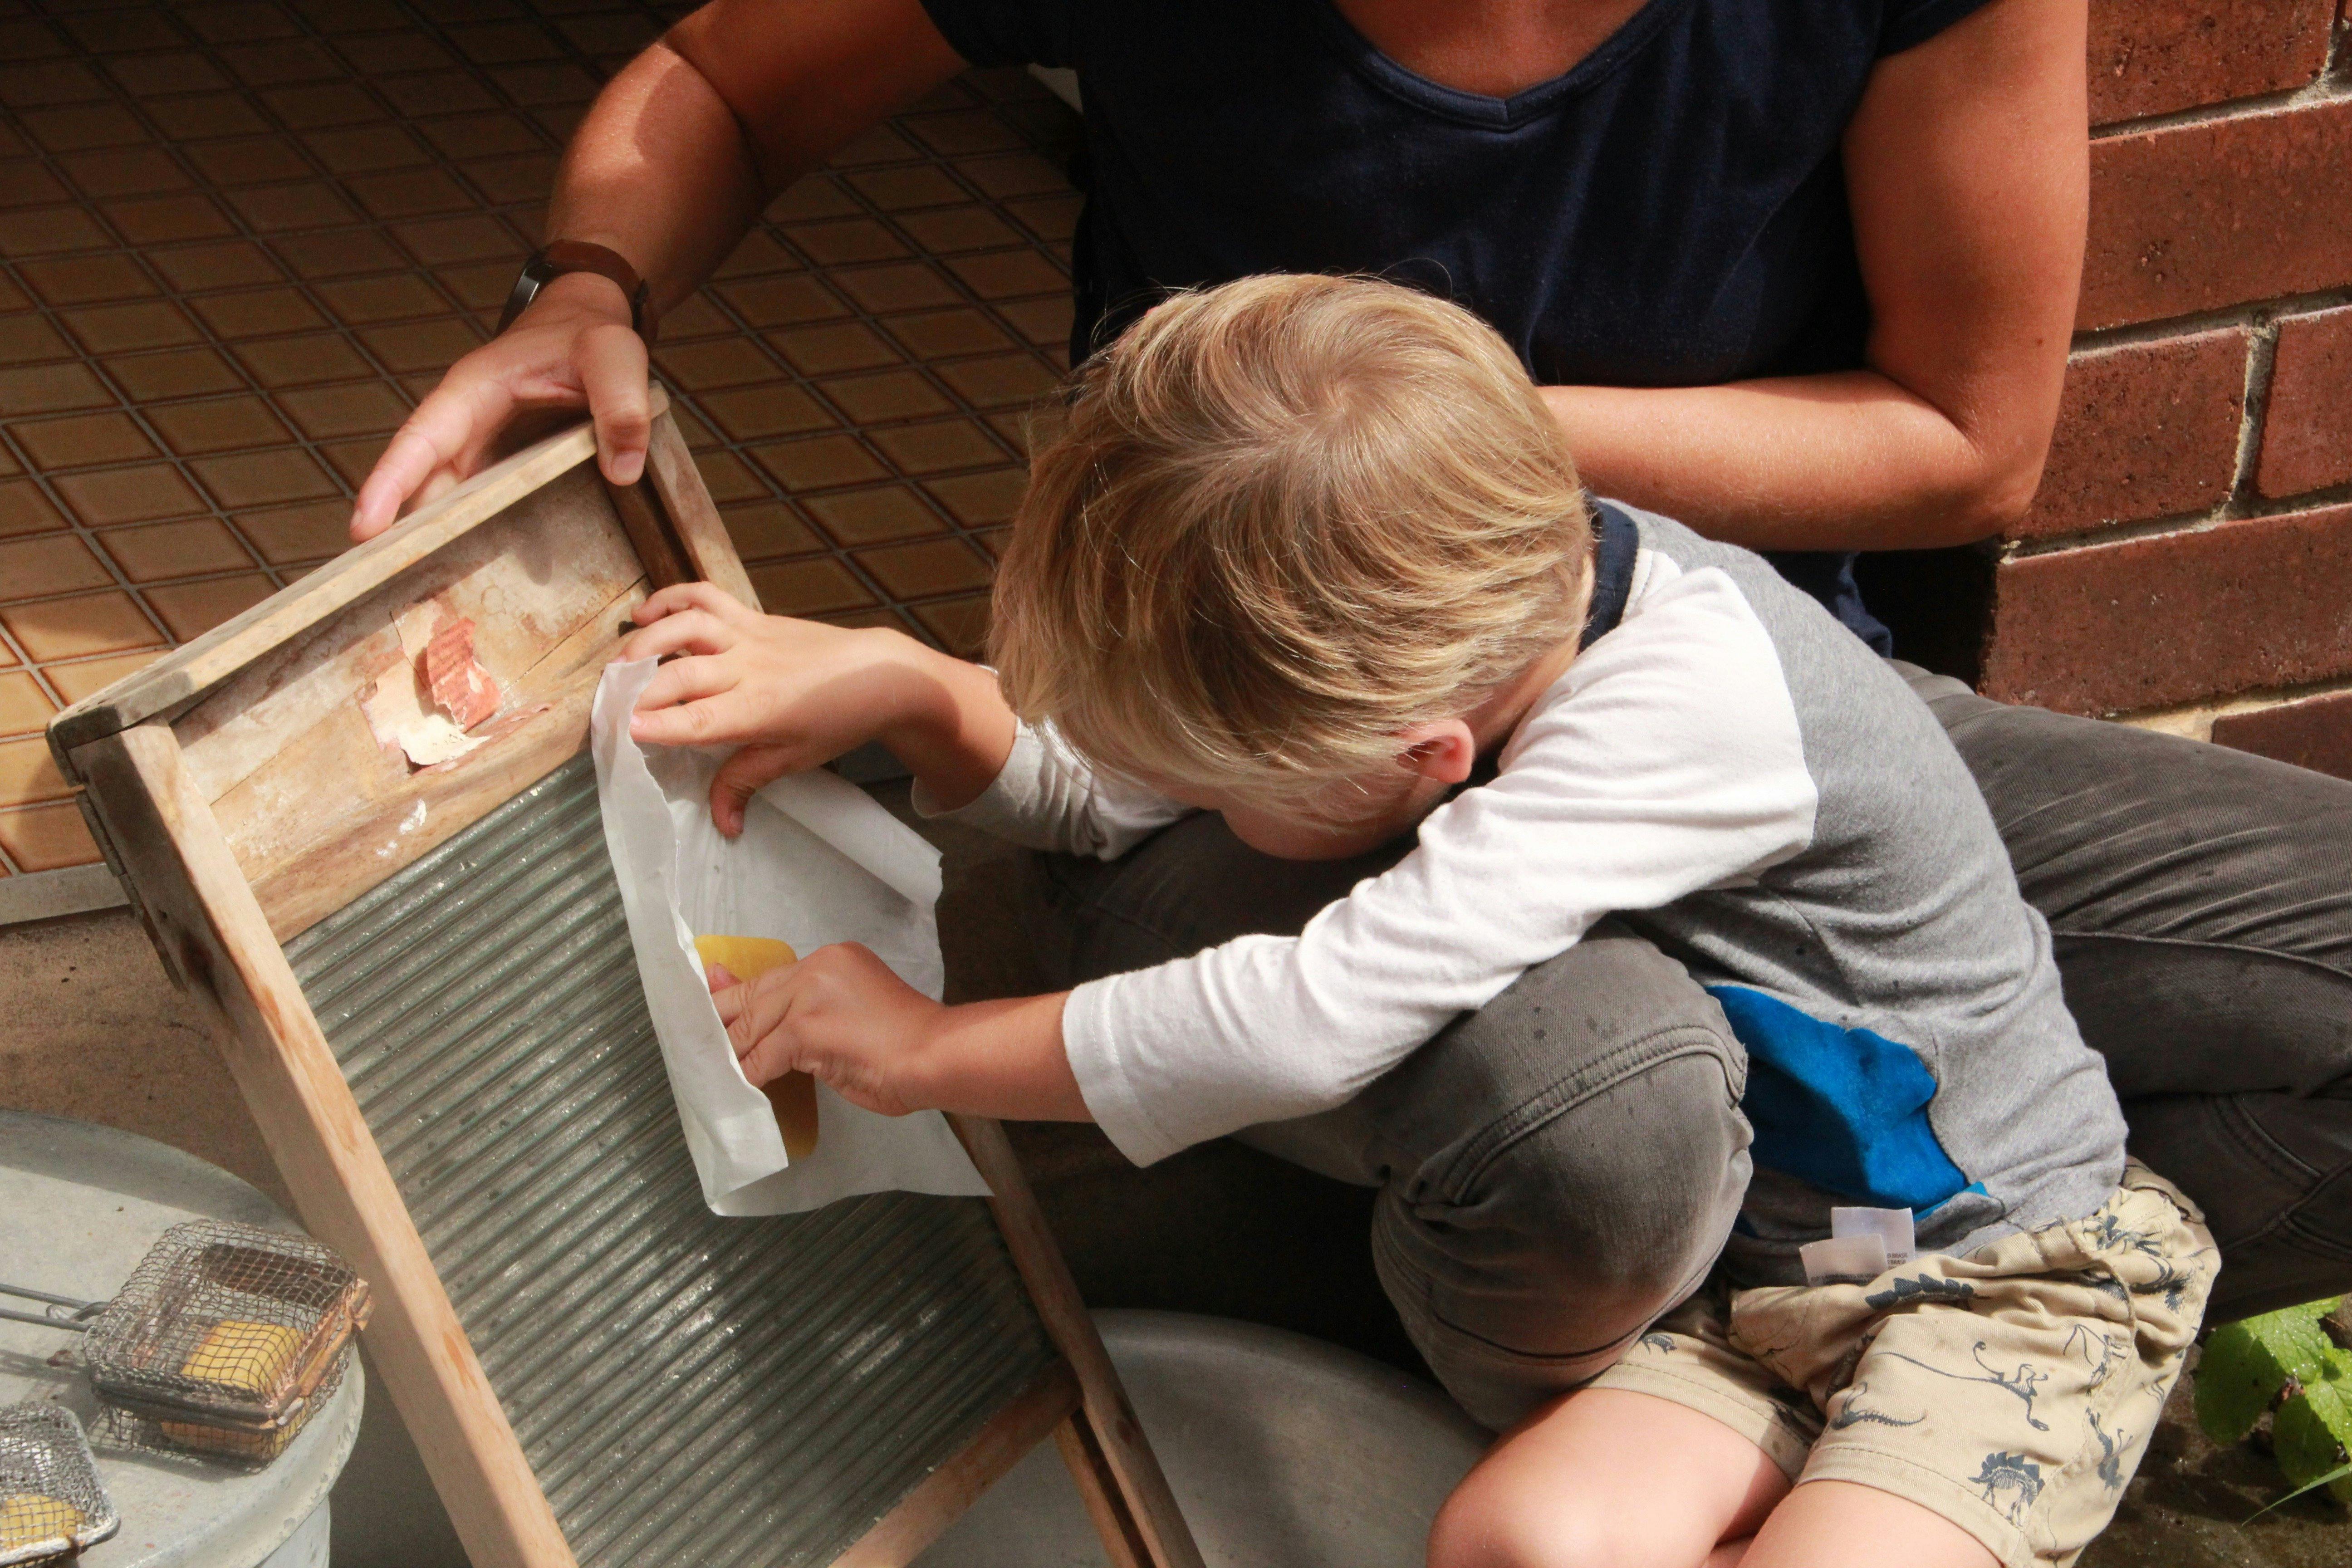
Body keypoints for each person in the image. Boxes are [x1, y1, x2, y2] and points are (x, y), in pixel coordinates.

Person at [349, 0, 2352, 1325]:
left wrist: (1415, 468)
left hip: (1684, 664)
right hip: (1253, 733)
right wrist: (583, 285)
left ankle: (1928, 1332)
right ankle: (1561, 1295)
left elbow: (1967, 437)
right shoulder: (1257, 725)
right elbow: (725, 77)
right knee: (1606, 1120)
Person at [629, 274, 2215, 1568]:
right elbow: (1135, 785)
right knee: (1509, 1539)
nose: (1167, 800)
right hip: (1772, 1286)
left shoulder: (1684, 705)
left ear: (1422, 766)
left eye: (1220, 783)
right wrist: (911, 690)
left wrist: (922, 1050)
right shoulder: (1455, 616)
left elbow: (1315, 1009)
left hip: (2009, 1273)